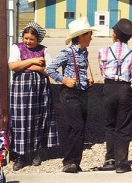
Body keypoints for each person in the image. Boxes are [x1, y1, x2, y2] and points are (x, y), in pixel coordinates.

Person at [45, 17, 95, 173]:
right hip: (69, 94)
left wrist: (85, 80)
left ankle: (75, 162)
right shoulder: (67, 52)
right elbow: (50, 69)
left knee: (79, 128)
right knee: (77, 126)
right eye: (89, 34)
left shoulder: (84, 52)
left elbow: (78, 70)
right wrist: (64, 80)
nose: (91, 38)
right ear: (81, 36)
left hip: (82, 93)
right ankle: (69, 162)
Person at [8, 22, 59, 171]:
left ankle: (36, 152)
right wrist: (32, 61)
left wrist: (33, 67)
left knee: (38, 118)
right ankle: (21, 156)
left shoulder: (44, 50)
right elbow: (12, 66)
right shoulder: (16, 47)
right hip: (21, 88)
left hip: (40, 88)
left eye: (31, 39)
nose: (28, 41)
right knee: (21, 120)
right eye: (26, 38)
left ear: (38, 39)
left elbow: (49, 71)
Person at [98, 18, 132, 173]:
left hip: (109, 87)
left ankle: (109, 159)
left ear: (114, 34)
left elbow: (102, 71)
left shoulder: (103, 52)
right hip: (125, 89)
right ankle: (121, 163)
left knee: (110, 124)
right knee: (124, 127)